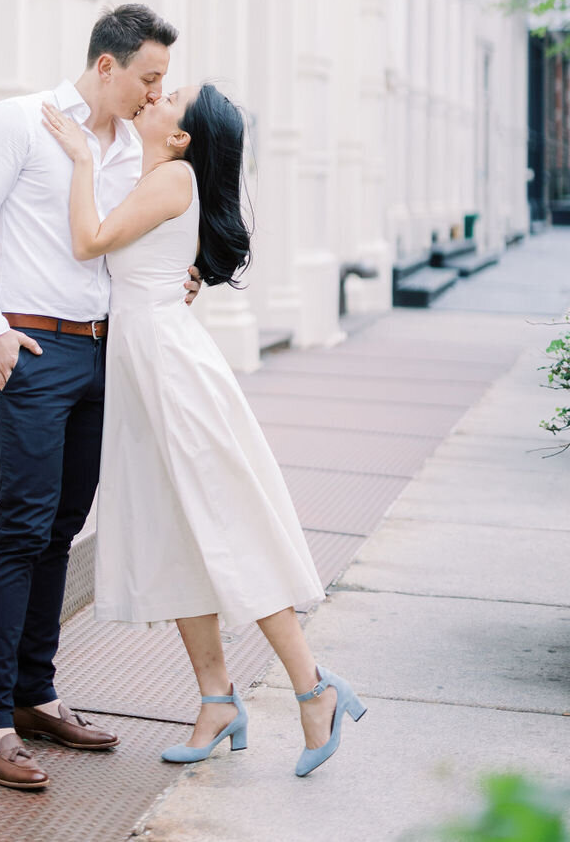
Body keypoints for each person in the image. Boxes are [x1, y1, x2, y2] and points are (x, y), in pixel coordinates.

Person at [41, 82, 367, 778]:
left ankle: (315, 688)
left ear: (181, 133)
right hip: (147, 367)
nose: (155, 94)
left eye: (170, 96)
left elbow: (86, 239)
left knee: (227, 527)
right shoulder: (156, 172)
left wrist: (79, 162)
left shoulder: (174, 177)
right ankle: (217, 700)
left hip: (172, 373)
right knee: (178, 534)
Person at [0, 4, 200, 792]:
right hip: (31, 346)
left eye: (163, 81)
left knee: (61, 526)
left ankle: (35, 694)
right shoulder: (21, 120)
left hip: (101, 351)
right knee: (20, 525)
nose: (156, 93)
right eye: (148, 78)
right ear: (106, 66)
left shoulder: (132, 149)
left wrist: (174, 276)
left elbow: (124, 238)